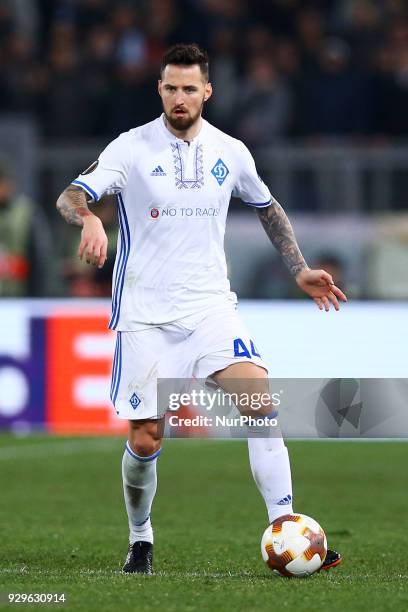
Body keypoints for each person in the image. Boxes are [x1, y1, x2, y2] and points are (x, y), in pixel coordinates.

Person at [56, 43, 347, 575]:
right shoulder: (130, 147)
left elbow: (267, 206)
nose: (180, 97)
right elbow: (71, 195)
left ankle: (287, 528)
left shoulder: (231, 151)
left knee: (260, 402)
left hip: (211, 308)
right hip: (144, 315)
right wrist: (91, 219)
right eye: (171, 87)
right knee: (146, 436)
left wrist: (299, 267)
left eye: (190, 88)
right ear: (160, 90)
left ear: (207, 92)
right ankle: (141, 537)